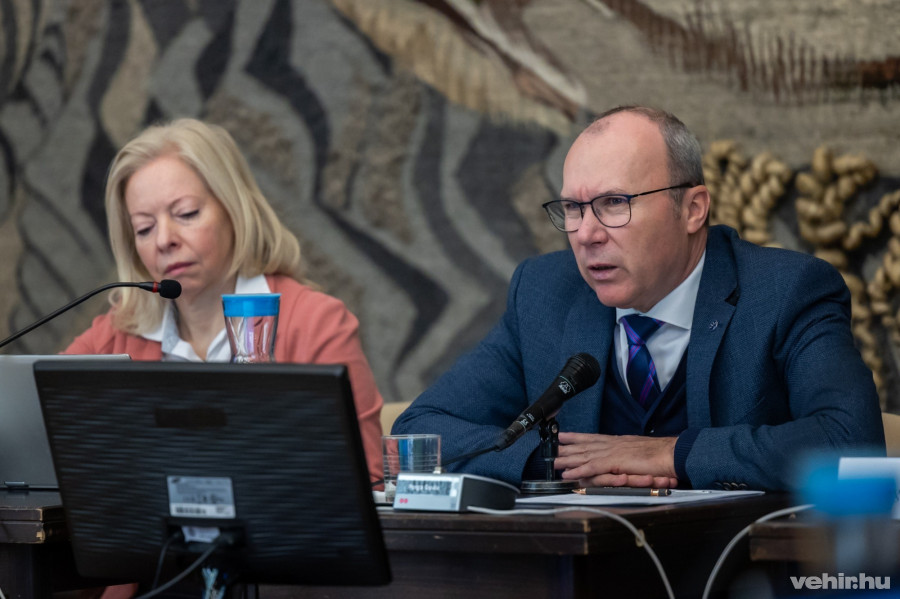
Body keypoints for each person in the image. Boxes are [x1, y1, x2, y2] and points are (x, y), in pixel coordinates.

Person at [393, 105, 885, 491]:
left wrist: (669, 453)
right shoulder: (545, 293)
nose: (586, 234)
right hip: (582, 567)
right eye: (572, 208)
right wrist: (555, 460)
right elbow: (420, 433)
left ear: (692, 209)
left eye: (613, 203)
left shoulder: (786, 291)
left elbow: (852, 444)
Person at [64, 118, 384, 484]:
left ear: (234, 211)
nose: (164, 240)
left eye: (186, 213)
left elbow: (368, 483)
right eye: (144, 228)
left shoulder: (316, 324)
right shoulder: (113, 337)